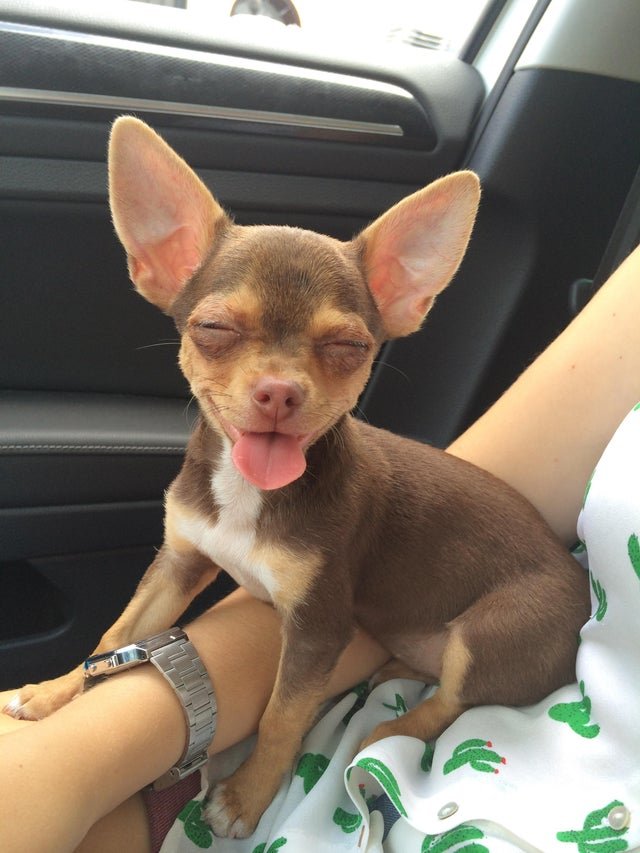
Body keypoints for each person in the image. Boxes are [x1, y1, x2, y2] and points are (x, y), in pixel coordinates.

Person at [2, 242, 640, 853]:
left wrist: (269, 761)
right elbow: (177, 572)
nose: (279, 384)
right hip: (359, 664)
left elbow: (319, 635)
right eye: (219, 331)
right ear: (161, 268)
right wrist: (80, 697)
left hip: (515, 627)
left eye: (341, 347)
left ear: (404, 300)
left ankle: (439, 707)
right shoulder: (198, 493)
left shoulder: (327, 516)